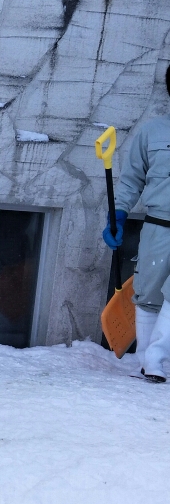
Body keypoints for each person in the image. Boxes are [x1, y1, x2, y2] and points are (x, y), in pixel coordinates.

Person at [103, 66, 170, 382]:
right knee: (148, 293)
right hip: (157, 227)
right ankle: (145, 359)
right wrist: (118, 214)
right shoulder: (152, 133)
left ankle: (155, 358)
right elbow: (131, 180)